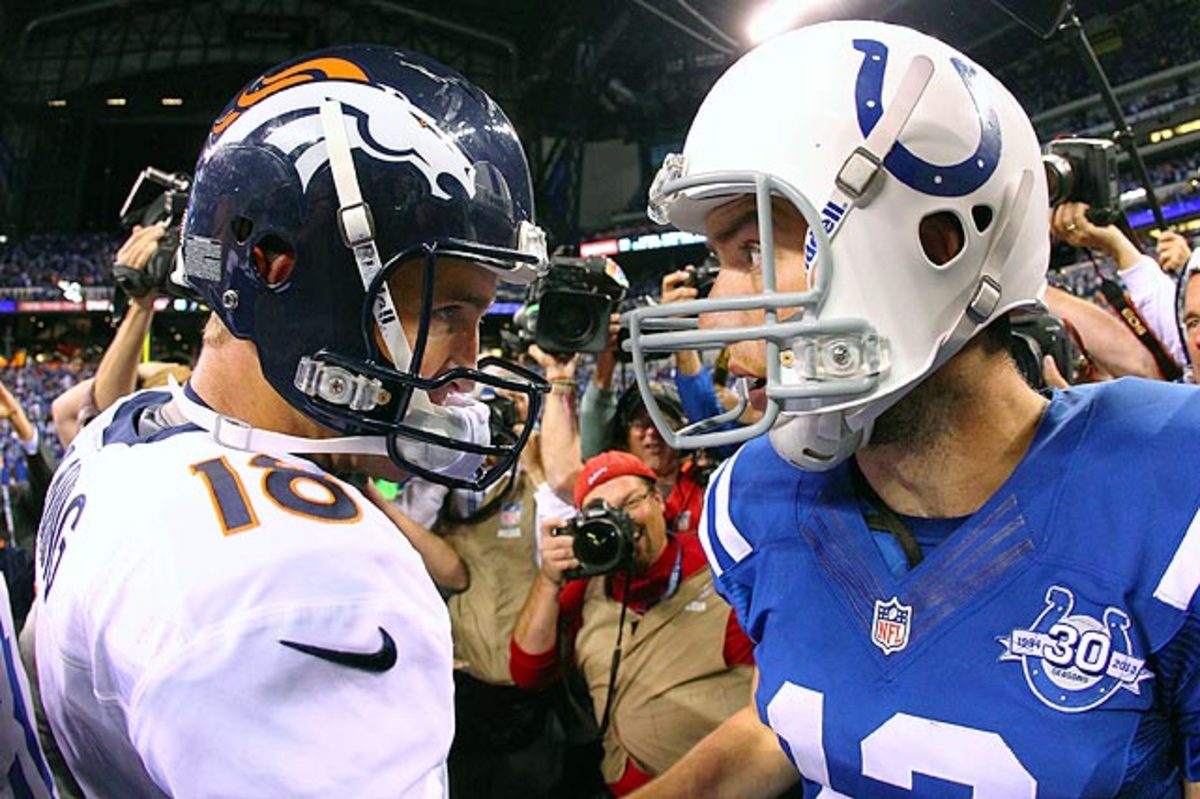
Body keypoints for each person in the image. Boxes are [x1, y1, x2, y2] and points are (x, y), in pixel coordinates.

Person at [623, 20, 1200, 797]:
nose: (721, 318)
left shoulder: (1167, 488)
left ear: (936, 240)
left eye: (756, 250)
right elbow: (799, 716)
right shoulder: (754, 501)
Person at [33, 45, 547, 797]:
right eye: (446, 308)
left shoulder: (131, 431)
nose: (470, 360)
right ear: (279, 269)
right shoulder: (306, 576)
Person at [510, 450, 754, 796]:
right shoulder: (586, 588)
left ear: (658, 500)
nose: (618, 520)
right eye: (600, 513)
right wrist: (549, 581)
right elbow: (527, 672)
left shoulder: (719, 565)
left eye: (629, 503)